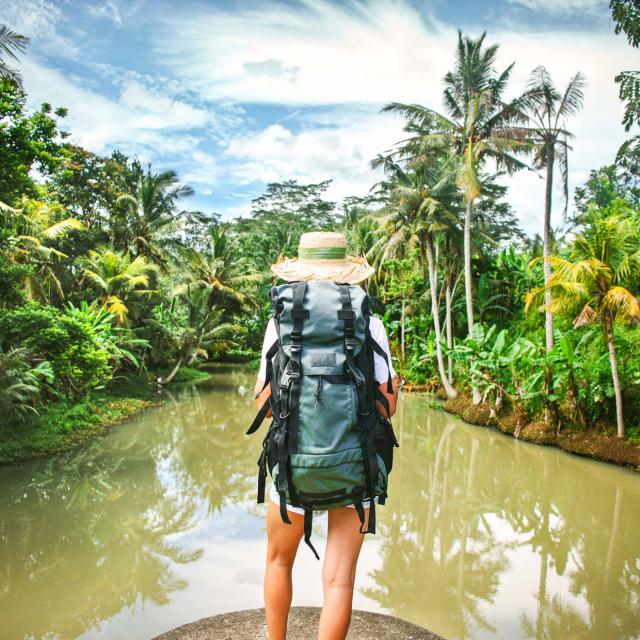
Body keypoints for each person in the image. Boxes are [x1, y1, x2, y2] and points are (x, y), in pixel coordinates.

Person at [254, 232, 399, 640]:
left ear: (299, 273)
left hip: (292, 462)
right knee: (338, 581)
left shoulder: (280, 322)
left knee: (278, 562)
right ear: (347, 275)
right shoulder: (369, 323)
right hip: (355, 467)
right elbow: (387, 406)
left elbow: (263, 399)